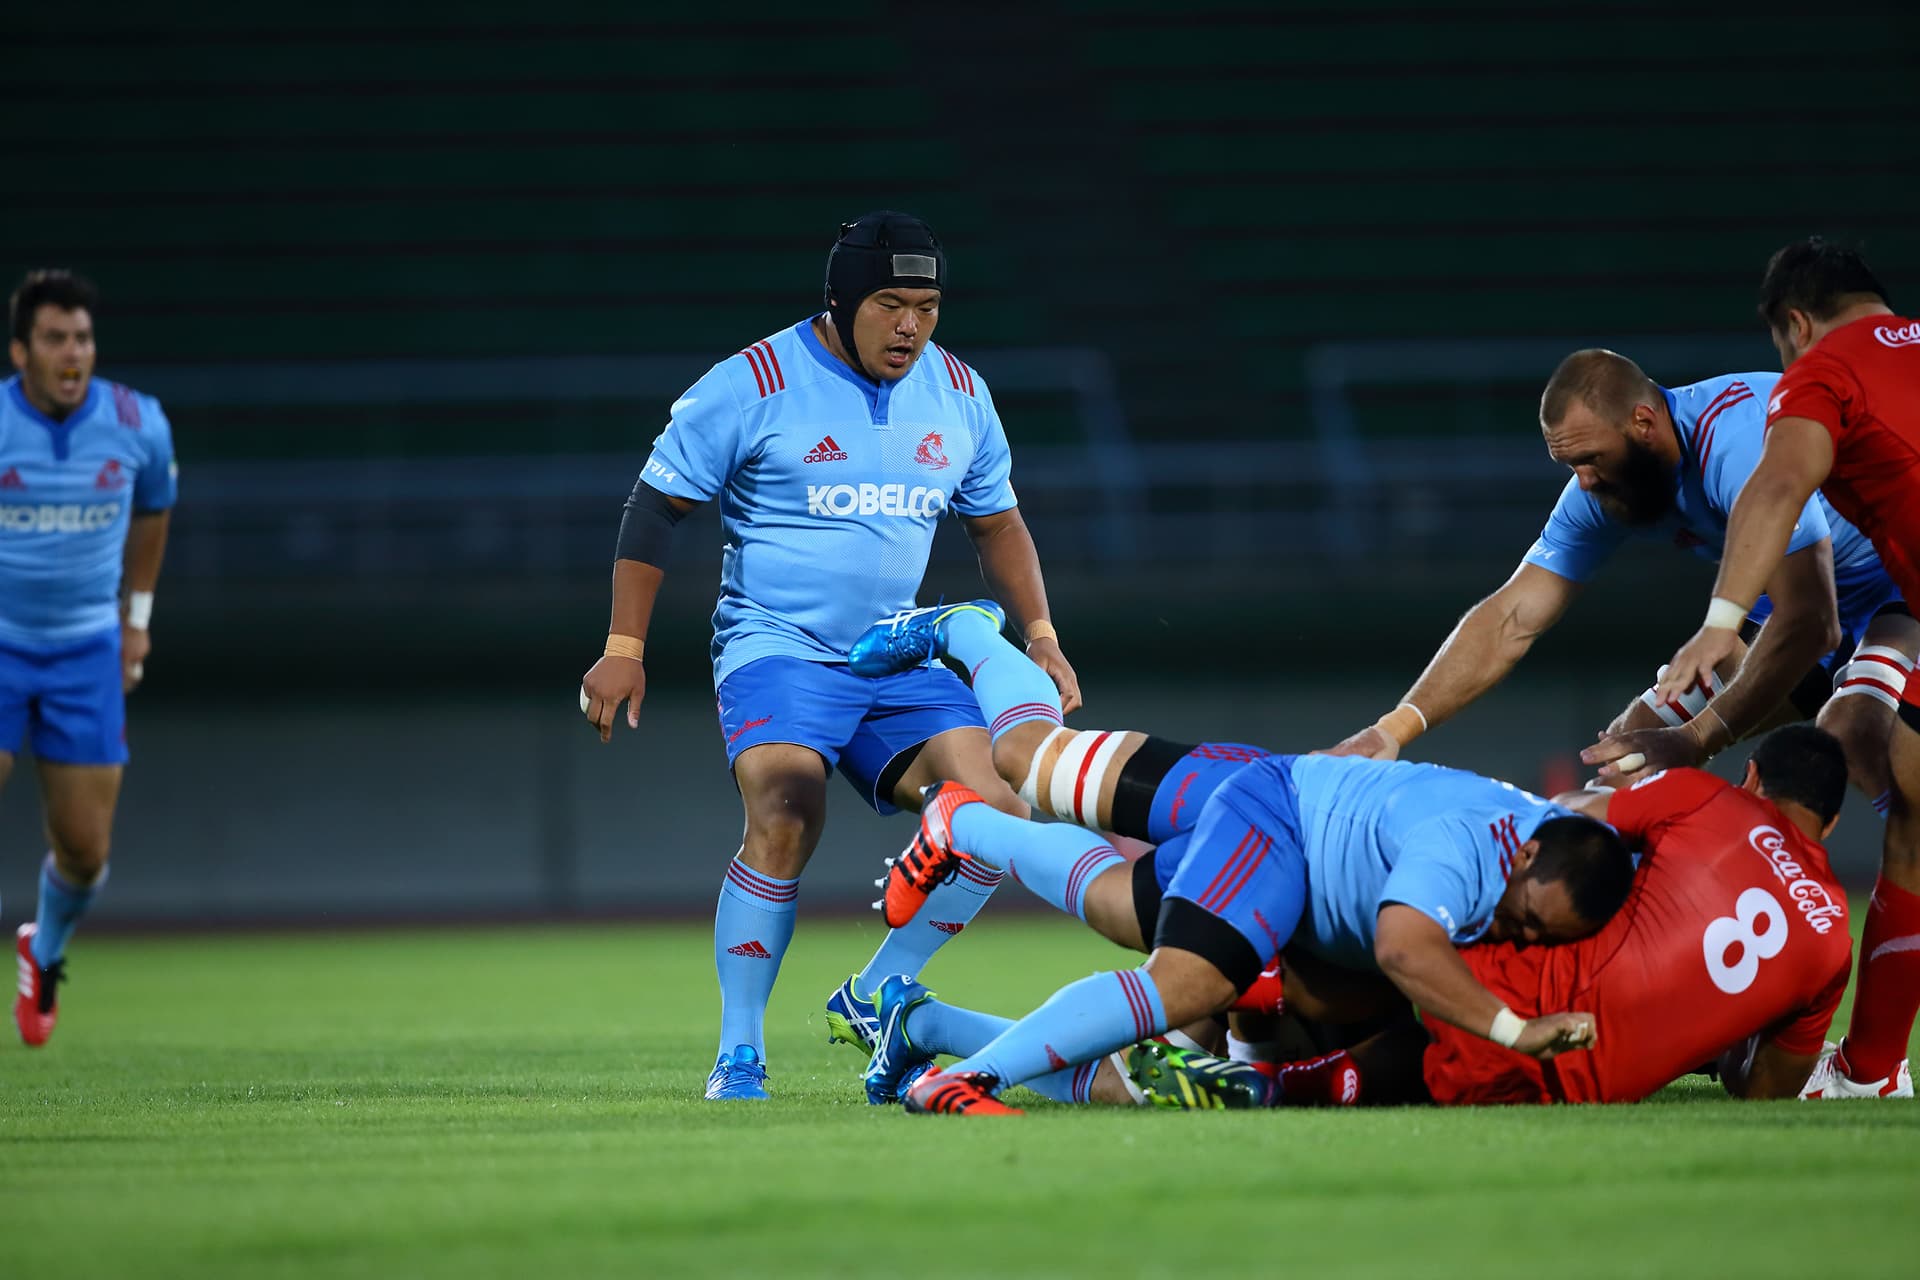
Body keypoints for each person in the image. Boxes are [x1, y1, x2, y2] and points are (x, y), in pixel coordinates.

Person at [576, 213, 1079, 1100]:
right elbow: (655, 508)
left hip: (900, 650)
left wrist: (1040, 635)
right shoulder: (754, 383)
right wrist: (624, 647)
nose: (910, 327)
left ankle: (878, 988)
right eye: (890, 304)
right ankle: (740, 1052)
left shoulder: (960, 392)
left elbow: (996, 521)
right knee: (786, 805)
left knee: (998, 808)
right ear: (843, 302)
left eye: (926, 306)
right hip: (778, 646)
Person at [844, 601, 1633, 1115]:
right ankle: (964, 633)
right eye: (1525, 919)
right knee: (1184, 984)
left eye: (1535, 937)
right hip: (1272, 817)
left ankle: (961, 841)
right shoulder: (1467, 855)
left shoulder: (1549, 838)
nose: (1515, 935)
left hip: (1280, 812)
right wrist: (1513, 1029)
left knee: (1117, 900)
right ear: (1525, 855)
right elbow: (1402, 944)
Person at [1137, 726, 1879, 1108]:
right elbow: (1763, 1091)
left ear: (1750, 776)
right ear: (1832, 827)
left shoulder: (1708, 799)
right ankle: (1291, 1083)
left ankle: (1258, 990)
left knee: (1421, 942)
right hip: (1588, 1079)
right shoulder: (1832, 944)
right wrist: (1712, 1040)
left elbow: (1560, 822)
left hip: (1522, 990)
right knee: (1430, 1033)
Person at [1321, 349, 1912, 807]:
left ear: (1644, 421)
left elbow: (1812, 622)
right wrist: (1392, 729)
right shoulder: (1599, 489)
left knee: (1852, 734)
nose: (1583, 482)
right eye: (1569, 465)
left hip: (1896, 582)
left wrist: (1699, 738)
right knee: (1630, 753)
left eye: (1591, 459)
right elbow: (1511, 617)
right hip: (1795, 608)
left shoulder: (1737, 438)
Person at [1658, 238, 1920, 1098]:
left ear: (1795, 324)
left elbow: (1776, 487)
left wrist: (1722, 620)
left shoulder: (1821, 371)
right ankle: (1872, 1069)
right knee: (1910, 791)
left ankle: (1873, 1070)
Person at [3, 270, 176, 1046]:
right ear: (21, 352)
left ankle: (46, 948)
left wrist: (135, 621)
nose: (72, 353)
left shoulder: (138, 422)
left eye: (82, 338)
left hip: (85, 650)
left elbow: (153, 512)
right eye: (54, 339)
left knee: (84, 848)